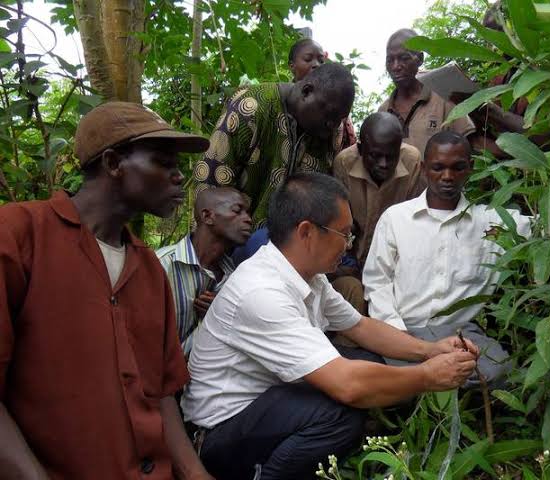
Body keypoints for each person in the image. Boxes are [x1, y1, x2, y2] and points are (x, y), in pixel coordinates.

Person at [182, 172, 479, 480]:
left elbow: (361, 327)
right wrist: (428, 376)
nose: (349, 245)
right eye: (344, 234)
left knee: (368, 363)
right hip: (219, 432)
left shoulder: (309, 276)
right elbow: (349, 386)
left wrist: (430, 351)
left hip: (264, 405)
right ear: (307, 232)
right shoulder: (262, 292)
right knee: (340, 412)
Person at [0, 101, 214, 479]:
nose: (179, 177)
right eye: (164, 163)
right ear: (114, 163)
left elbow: (162, 393)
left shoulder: (149, 269)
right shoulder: (19, 234)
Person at [363, 131, 532, 386]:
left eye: (457, 167)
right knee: (391, 376)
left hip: (461, 335)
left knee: (499, 371)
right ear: (423, 169)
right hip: (403, 329)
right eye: (438, 167)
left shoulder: (490, 221)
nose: (448, 176)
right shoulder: (396, 219)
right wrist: (397, 333)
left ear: (470, 168)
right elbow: (377, 282)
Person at [194, 62, 355, 228]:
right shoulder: (252, 106)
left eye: (340, 119)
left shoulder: (332, 133)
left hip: (292, 244)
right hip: (233, 237)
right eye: (330, 115)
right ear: (307, 92)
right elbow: (210, 180)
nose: (333, 125)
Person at [331, 112, 423, 314]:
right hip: (354, 260)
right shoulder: (344, 163)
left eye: (391, 156)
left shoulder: (412, 161)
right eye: (375, 156)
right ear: (361, 149)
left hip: (397, 263)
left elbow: (416, 224)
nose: (383, 164)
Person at [157, 187, 252, 357]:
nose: (248, 219)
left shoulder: (237, 278)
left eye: (247, 212)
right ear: (207, 216)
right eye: (238, 211)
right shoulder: (162, 265)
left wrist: (220, 315)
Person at [379, 28, 476, 158]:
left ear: (420, 59)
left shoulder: (444, 99)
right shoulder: (383, 111)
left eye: (404, 58)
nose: (396, 66)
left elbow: (470, 146)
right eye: (390, 60)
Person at [288, 37, 357, 150]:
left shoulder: (339, 116)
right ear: (292, 65)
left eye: (321, 61)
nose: (316, 65)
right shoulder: (278, 102)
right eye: (308, 59)